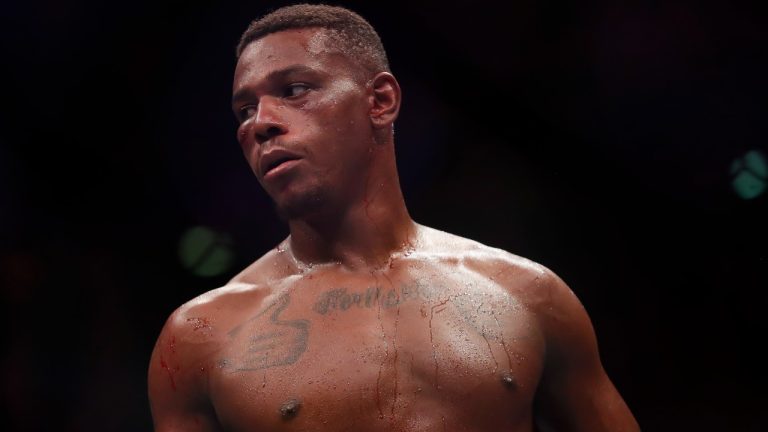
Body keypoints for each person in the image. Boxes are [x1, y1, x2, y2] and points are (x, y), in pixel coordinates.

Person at [148, 4, 640, 431]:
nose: (261, 123)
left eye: (294, 89)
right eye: (244, 110)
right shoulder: (201, 337)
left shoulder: (527, 295)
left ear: (380, 102)